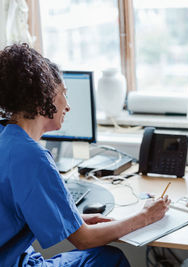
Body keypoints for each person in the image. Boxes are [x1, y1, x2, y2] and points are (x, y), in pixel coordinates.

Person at [0, 43, 171, 267]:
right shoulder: (33, 158)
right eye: (64, 94)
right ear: (44, 96)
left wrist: (74, 220)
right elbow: (84, 240)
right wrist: (145, 217)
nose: (68, 106)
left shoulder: (6, 137)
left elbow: (14, 213)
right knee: (108, 258)